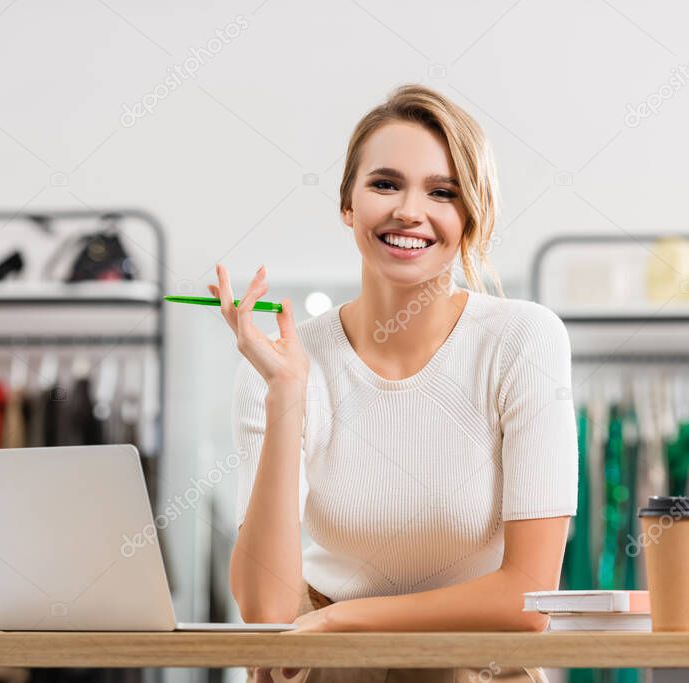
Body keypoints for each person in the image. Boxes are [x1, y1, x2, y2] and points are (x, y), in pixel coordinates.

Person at [212, 84, 578, 683]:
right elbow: (266, 610)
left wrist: (343, 621)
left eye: (442, 192)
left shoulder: (523, 340)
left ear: (469, 215)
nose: (410, 210)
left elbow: (529, 597)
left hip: (473, 667)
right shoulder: (283, 364)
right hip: (326, 668)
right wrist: (286, 395)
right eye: (386, 184)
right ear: (348, 205)